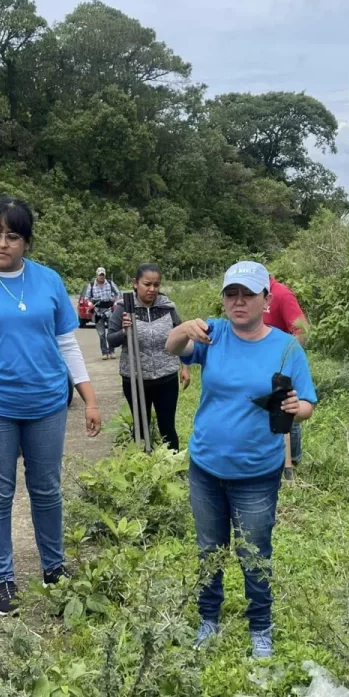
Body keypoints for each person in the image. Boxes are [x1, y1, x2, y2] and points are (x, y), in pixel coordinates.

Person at [0, 196, 103, 617]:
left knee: (46, 490)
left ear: (26, 241)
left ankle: (53, 568)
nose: (1, 243)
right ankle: (3, 578)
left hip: (46, 404)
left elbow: (68, 344)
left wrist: (90, 400)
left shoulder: (47, 280)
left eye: (12, 236)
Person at [166, 260, 316, 660]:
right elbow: (173, 349)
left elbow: (307, 405)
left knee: (254, 551)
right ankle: (208, 618)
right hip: (206, 467)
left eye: (248, 294)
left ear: (266, 299)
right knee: (209, 548)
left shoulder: (285, 346)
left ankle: (260, 626)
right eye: (231, 293)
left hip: (257, 472)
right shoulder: (212, 334)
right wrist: (182, 329)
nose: (238, 301)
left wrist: (292, 406)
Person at [108, 264, 190, 452]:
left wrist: (185, 366)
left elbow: (182, 337)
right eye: (147, 284)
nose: (152, 289)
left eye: (156, 284)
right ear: (135, 283)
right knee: (140, 429)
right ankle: (144, 467)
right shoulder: (123, 308)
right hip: (135, 379)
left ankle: (172, 466)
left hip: (166, 377)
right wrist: (123, 331)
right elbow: (110, 340)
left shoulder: (167, 308)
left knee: (167, 427)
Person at [263, 275, 309, 467]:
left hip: (282, 362)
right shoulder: (254, 297)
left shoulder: (281, 294)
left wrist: (287, 357)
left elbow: (302, 329)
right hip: (262, 363)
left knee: (289, 408)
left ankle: (293, 460)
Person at [89, 267, 120, 360]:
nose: (101, 277)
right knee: (101, 334)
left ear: (105, 275)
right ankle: (104, 352)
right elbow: (87, 297)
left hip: (109, 310)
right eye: (100, 275)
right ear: (97, 275)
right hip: (98, 312)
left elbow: (118, 293)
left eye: (103, 275)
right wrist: (90, 304)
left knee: (111, 332)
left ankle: (112, 351)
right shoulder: (91, 285)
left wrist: (115, 302)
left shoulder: (110, 283)